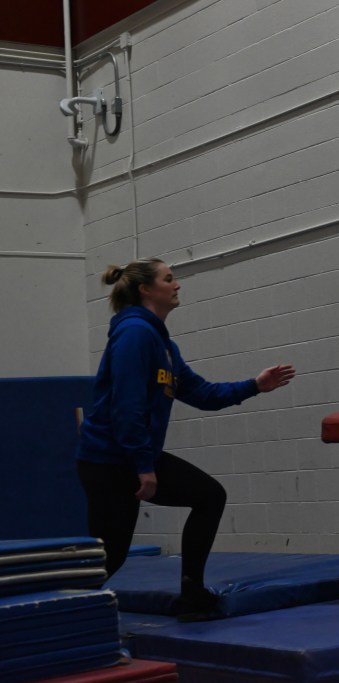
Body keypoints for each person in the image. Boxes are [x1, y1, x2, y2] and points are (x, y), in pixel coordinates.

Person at [76, 258, 296, 620]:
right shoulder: (134, 333)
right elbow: (126, 405)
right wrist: (144, 466)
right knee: (110, 554)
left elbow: (202, 393)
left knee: (208, 496)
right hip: (109, 460)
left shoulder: (163, 344)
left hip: (130, 456)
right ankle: (54, 615)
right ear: (146, 289)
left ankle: (193, 595)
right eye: (169, 279)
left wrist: (255, 385)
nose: (177, 285)